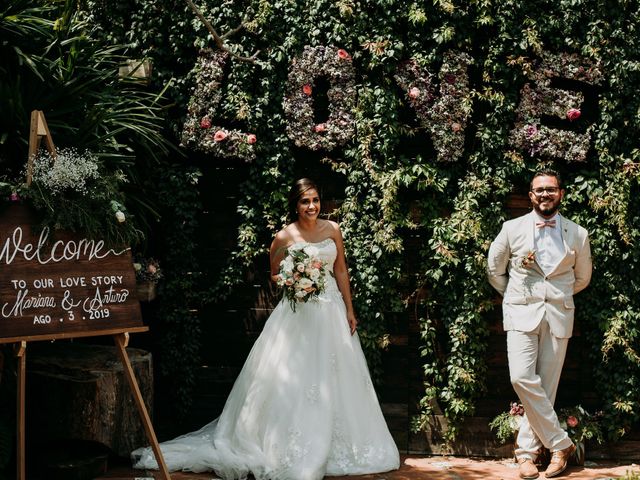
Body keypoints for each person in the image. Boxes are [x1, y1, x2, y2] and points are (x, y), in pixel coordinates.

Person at [132, 178, 400, 479]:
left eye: (315, 200)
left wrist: (350, 309)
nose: (311, 206)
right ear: (295, 205)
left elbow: (340, 269)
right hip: (299, 313)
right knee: (295, 376)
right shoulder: (284, 236)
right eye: (304, 201)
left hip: (332, 311)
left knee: (338, 374)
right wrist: (296, 279)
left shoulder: (333, 230)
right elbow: (275, 274)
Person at [487, 170, 592, 480]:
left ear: (561, 193)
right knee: (521, 376)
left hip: (559, 314)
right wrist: (518, 295)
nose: (545, 194)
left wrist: (554, 295)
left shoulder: (578, 234)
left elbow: (582, 277)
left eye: (551, 189)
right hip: (520, 312)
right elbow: (495, 270)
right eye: (539, 190)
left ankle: (527, 455)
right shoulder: (511, 228)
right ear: (531, 196)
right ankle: (561, 443)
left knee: (546, 387)